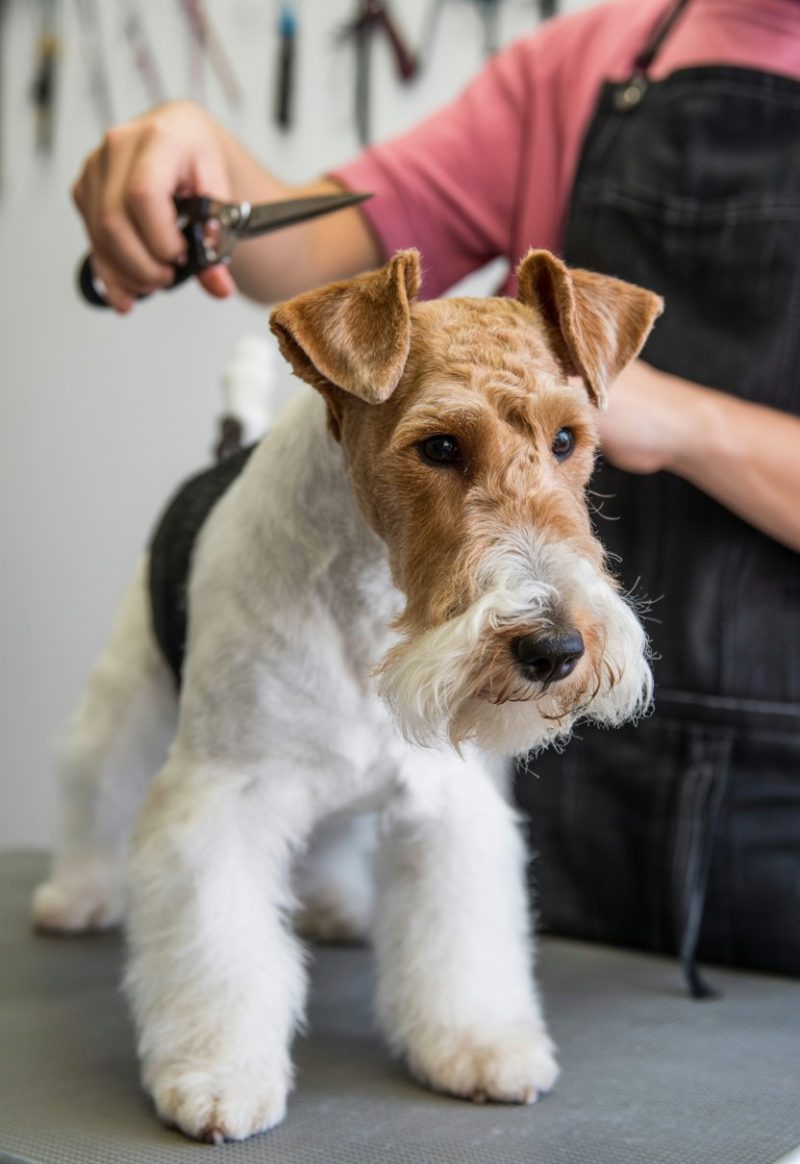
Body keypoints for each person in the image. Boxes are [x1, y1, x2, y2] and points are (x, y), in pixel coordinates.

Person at [72, 0, 800, 986]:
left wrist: (673, 421)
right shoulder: (590, 57)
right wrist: (203, 154)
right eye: (445, 451)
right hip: (559, 764)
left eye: (563, 445)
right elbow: (322, 250)